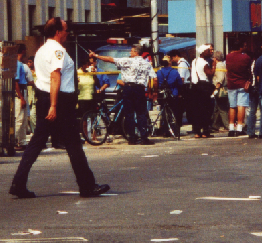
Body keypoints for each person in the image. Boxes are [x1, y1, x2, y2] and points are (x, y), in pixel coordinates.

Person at [9, 18, 109, 199]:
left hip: (46, 98)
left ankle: (18, 183)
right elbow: (55, 77)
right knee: (73, 144)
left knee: (36, 143)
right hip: (59, 102)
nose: (67, 32)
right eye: (65, 29)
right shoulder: (57, 50)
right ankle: (87, 186)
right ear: (57, 32)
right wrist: (54, 106)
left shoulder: (41, 50)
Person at [90, 45, 156, 145]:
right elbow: (154, 79)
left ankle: (132, 138)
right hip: (139, 89)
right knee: (141, 113)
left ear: (135, 52)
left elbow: (110, 59)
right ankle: (143, 137)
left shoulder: (127, 61)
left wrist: (96, 55)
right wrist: (154, 91)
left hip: (128, 88)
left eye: (131, 51)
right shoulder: (146, 64)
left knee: (129, 113)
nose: (130, 52)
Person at [225, 40, 253, 137]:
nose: (245, 47)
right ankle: (239, 128)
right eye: (244, 46)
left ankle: (231, 128)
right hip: (242, 84)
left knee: (232, 106)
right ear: (240, 47)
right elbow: (249, 71)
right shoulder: (246, 57)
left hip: (231, 84)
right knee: (241, 105)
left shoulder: (228, 57)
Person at [189, 44, 215, 138]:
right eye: (209, 51)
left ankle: (197, 131)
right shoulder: (203, 62)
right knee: (205, 109)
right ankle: (205, 131)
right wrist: (214, 66)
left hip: (195, 86)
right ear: (204, 52)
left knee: (196, 109)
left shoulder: (194, 61)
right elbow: (210, 73)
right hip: (203, 86)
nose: (210, 52)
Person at [155, 56, 183, 137]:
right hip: (173, 94)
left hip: (162, 95)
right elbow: (180, 83)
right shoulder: (175, 72)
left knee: (164, 112)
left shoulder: (159, 72)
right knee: (175, 112)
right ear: (170, 63)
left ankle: (165, 130)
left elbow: (156, 82)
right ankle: (175, 130)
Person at [14, 44, 33, 150]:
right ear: (24, 51)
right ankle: (13, 140)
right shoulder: (18, 64)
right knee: (19, 118)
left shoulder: (20, 64)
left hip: (22, 91)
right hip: (20, 92)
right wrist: (21, 97)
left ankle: (22, 141)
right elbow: (16, 82)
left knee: (24, 119)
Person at [210, 51, 230, 133]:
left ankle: (227, 125)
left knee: (222, 108)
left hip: (220, 88)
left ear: (215, 58)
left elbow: (220, 78)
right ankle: (215, 125)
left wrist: (215, 89)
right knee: (217, 108)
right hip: (222, 88)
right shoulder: (223, 64)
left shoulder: (219, 65)